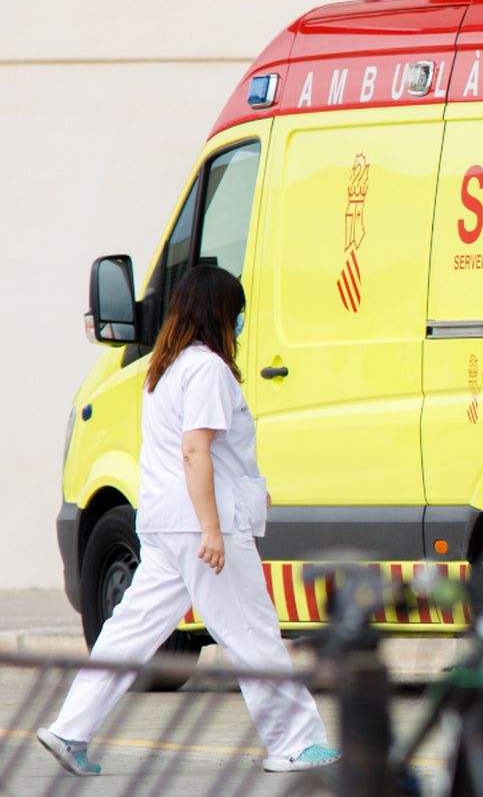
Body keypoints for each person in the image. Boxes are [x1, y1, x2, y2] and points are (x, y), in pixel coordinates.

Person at [37, 266, 339, 775]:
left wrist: (244, 495)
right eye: (237, 312)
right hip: (200, 527)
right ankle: (295, 743)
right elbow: (196, 451)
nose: (241, 322)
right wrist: (214, 529)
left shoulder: (164, 369)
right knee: (252, 629)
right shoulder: (208, 370)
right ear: (219, 314)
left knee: (131, 630)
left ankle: (70, 729)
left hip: (164, 522)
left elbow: (208, 456)